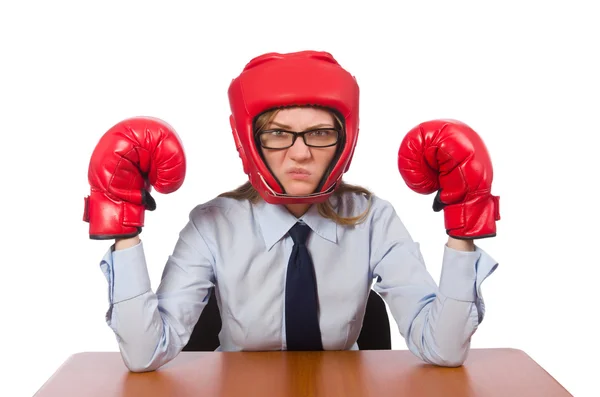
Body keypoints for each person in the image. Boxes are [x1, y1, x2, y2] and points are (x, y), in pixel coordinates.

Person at [83, 50, 500, 373]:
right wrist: (124, 222)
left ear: (344, 141)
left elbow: (443, 351)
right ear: (250, 141)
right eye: (279, 133)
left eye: (319, 133)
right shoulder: (212, 225)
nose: (299, 153)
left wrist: (464, 224)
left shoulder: (373, 219)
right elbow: (143, 355)